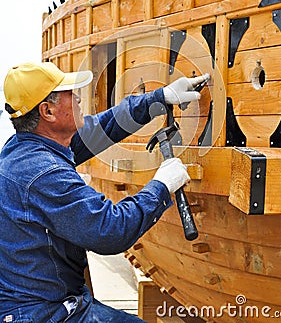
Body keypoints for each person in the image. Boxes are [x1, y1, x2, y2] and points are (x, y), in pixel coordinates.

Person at [0, 61, 205, 323]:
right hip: (41, 313)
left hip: (40, 301)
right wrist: (161, 187)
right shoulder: (44, 172)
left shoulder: (26, 147)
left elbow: (103, 128)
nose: (77, 98)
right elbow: (109, 230)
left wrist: (159, 98)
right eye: (69, 94)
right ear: (48, 111)